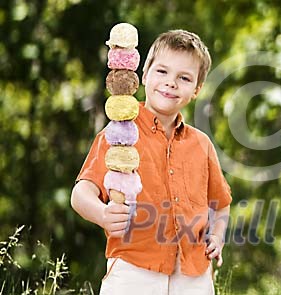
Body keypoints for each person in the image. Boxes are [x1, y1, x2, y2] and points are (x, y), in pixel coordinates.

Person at [71, 29, 232, 295]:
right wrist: (102, 215)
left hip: (193, 275)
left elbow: (221, 205)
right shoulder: (118, 135)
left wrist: (217, 235)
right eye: (162, 72)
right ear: (143, 75)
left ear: (196, 89)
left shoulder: (201, 144)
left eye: (184, 77)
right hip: (134, 270)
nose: (171, 83)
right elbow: (81, 194)